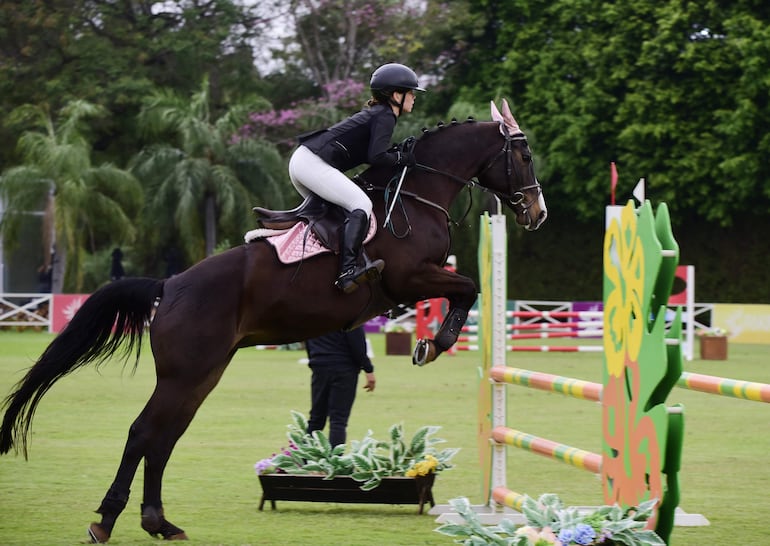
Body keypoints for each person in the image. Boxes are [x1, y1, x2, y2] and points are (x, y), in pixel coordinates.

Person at [289, 63, 424, 294]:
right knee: (361, 204)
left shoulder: (379, 113)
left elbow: (376, 152)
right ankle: (347, 273)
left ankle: (323, 268)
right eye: (410, 92)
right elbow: (377, 156)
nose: (413, 97)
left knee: (337, 215)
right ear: (396, 95)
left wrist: (398, 153)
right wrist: (402, 157)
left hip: (304, 161)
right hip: (312, 163)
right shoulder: (385, 115)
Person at [305, 326, 376, 447]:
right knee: (338, 420)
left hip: (319, 366)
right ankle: (335, 461)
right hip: (344, 368)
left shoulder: (313, 314)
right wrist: (368, 369)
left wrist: (314, 359)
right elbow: (357, 345)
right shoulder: (349, 314)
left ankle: (305, 459)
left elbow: (307, 338)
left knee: (316, 419)